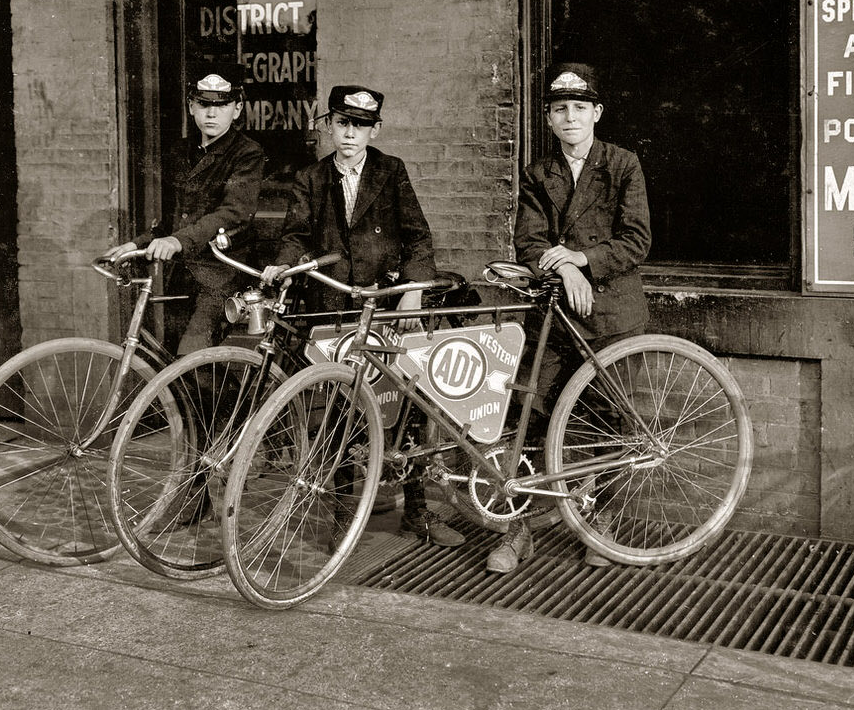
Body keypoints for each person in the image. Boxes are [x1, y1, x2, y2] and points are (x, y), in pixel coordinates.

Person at [261, 84, 465, 551]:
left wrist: (412, 294)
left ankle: (417, 510)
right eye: (342, 123)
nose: (349, 134)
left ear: (374, 130)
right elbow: (295, 235)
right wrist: (283, 262)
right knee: (337, 411)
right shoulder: (311, 178)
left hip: (388, 305)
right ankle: (341, 517)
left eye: (360, 125)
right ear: (329, 125)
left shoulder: (390, 172)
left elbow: (417, 238)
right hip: (334, 305)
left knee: (409, 405)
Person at [486, 62, 651, 573]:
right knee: (528, 415)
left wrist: (580, 261)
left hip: (612, 317)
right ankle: (520, 529)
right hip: (554, 317)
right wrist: (563, 268)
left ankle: (597, 524)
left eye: (580, 108)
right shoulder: (540, 173)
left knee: (605, 423)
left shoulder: (623, 165)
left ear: (596, 113)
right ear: (550, 120)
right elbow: (530, 242)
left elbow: (637, 239)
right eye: (560, 110)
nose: (570, 118)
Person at [104, 61, 264, 356]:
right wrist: (135, 245)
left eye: (222, 105)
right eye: (203, 104)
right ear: (191, 107)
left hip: (222, 277)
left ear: (237, 109)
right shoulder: (181, 151)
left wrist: (177, 241)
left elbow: (233, 212)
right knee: (172, 361)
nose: (212, 113)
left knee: (190, 358)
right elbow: (172, 220)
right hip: (184, 275)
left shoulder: (247, 153)